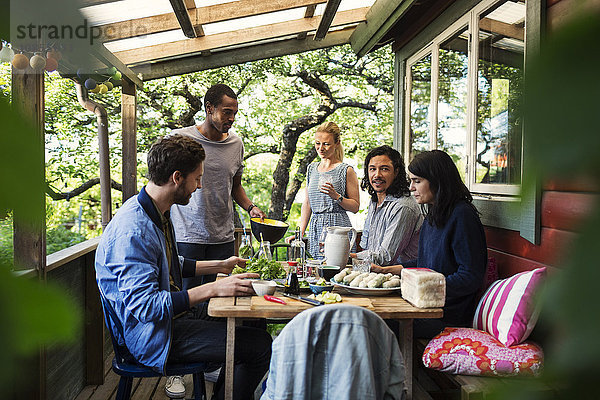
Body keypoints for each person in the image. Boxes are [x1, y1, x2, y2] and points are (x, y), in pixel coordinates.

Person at [95, 135, 272, 400]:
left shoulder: (155, 211)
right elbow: (146, 308)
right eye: (197, 178)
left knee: (254, 319)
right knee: (259, 346)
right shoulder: (134, 231)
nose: (199, 186)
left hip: (170, 321)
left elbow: (169, 264)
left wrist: (222, 265)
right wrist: (213, 288)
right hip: (151, 336)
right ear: (177, 177)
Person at [373, 149, 487, 339]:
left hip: (445, 317)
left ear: (437, 180)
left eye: (417, 181)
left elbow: (470, 276)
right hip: (424, 305)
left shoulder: (462, 216)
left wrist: (423, 288)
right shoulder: (434, 214)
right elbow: (428, 262)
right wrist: (390, 270)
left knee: (374, 321)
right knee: (371, 312)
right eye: (411, 181)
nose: (411, 188)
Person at [171, 83, 267, 291]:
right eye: (227, 112)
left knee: (222, 298)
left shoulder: (236, 144)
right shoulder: (180, 139)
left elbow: (235, 186)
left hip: (222, 237)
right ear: (209, 108)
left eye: (234, 113)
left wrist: (251, 208)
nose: (231, 118)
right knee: (190, 300)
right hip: (188, 235)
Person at [286, 121, 360, 259]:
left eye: (326, 144)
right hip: (316, 229)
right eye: (317, 143)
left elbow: (355, 207)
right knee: (316, 272)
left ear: (337, 143)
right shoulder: (312, 169)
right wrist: (300, 233)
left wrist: (337, 196)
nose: (321, 148)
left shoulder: (346, 170)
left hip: (338, 230)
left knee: (337, 270)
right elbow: (307, 204)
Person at [351, 145, 422, 266]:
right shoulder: (374, 201)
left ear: (396, 172)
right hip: (374, 274)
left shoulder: (403, 206)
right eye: (372, 169)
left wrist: (347, 257)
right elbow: (365, 246)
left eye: (384, 169)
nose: (377, 175)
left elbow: (386, 258)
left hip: (400, 279)